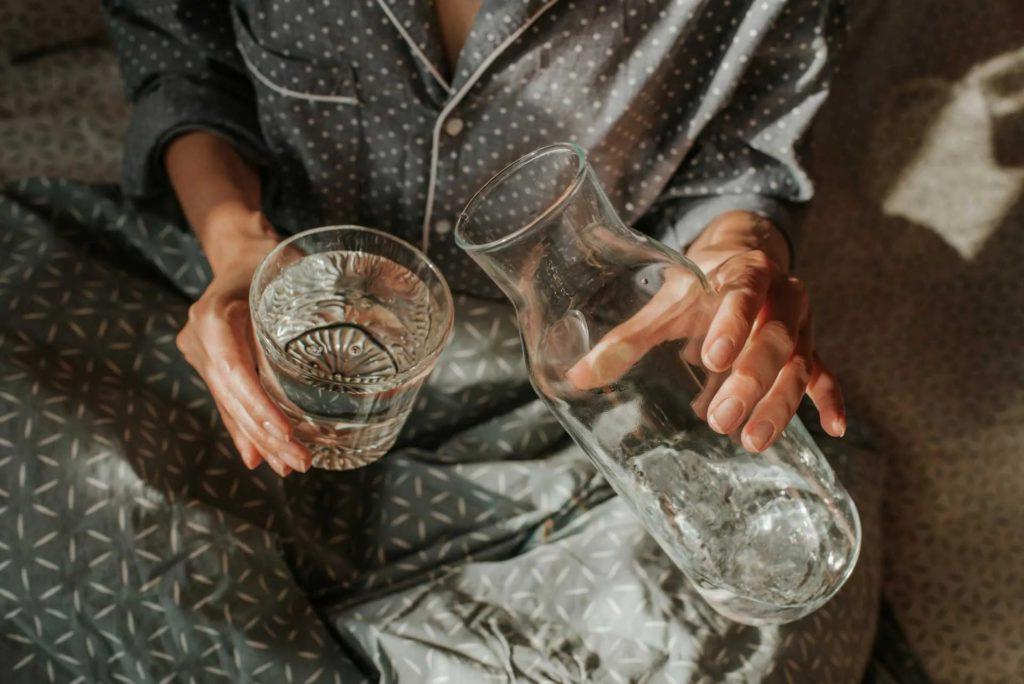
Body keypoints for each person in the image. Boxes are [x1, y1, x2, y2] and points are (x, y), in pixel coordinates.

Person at [103, 0, 846, 478]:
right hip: (242, 315)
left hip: (582, 381)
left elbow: (746, 152)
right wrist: (234, 241)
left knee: (741, 598)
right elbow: (182, 54)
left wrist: (740, 251)